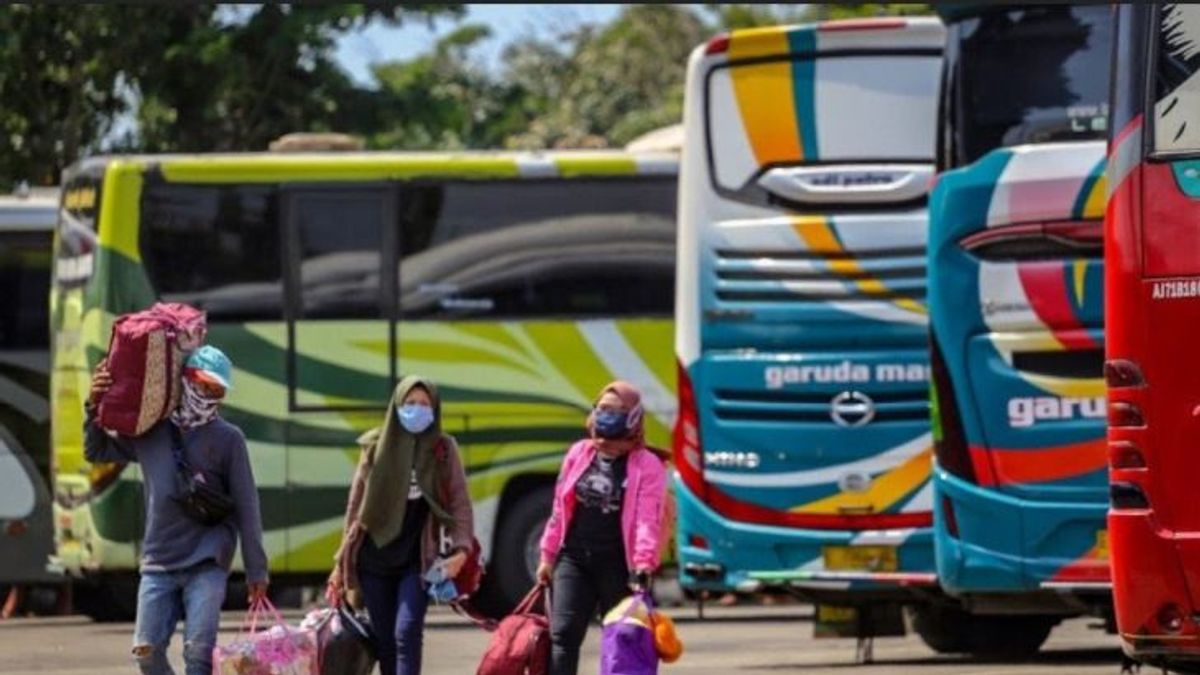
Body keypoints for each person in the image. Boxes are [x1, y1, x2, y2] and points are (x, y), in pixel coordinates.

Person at [85, 345, 268, 675]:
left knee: (198, 655)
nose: (209, 395)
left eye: (218, 390)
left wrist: (257, 569)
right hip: (158, 561)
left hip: (208, 562)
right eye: (204, 385)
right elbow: (96, 450)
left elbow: (247, 504)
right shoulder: (150, 431)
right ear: (185, 380)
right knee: (146, 653)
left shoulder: (229, 439)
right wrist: (92, 404)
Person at [326, 376, 474, 675]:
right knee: (384, 642)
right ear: (396, 406)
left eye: (424, 404)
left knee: (406, 632)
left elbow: (459, 502)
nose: (417, 410)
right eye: (409, 403)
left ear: (434, 409)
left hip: (417, 559)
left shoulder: (443, 449)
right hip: (374, 557)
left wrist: (462, 549)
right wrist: (341, 564)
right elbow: (355, 508)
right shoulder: (374, 447)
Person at [536, 381, 668, 675]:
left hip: (619, 565)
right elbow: (560, 507)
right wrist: (547, 556)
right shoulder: (579, 453)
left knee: (622, 640)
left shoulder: (647, 465)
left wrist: (643, 565)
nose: (608, 415)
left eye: (618, 411)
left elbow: (648, 519)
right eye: (603, 409)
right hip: (574, 559)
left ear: (633, 417)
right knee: (563, 635)